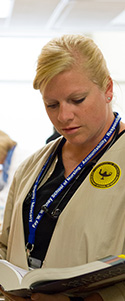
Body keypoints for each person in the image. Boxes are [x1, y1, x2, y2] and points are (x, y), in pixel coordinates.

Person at [0, 34, 125, 301]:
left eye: (77, 100)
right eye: (51, 105)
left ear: (108, 89)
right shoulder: (30, 167)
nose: (63, 117)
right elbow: (7, 244)